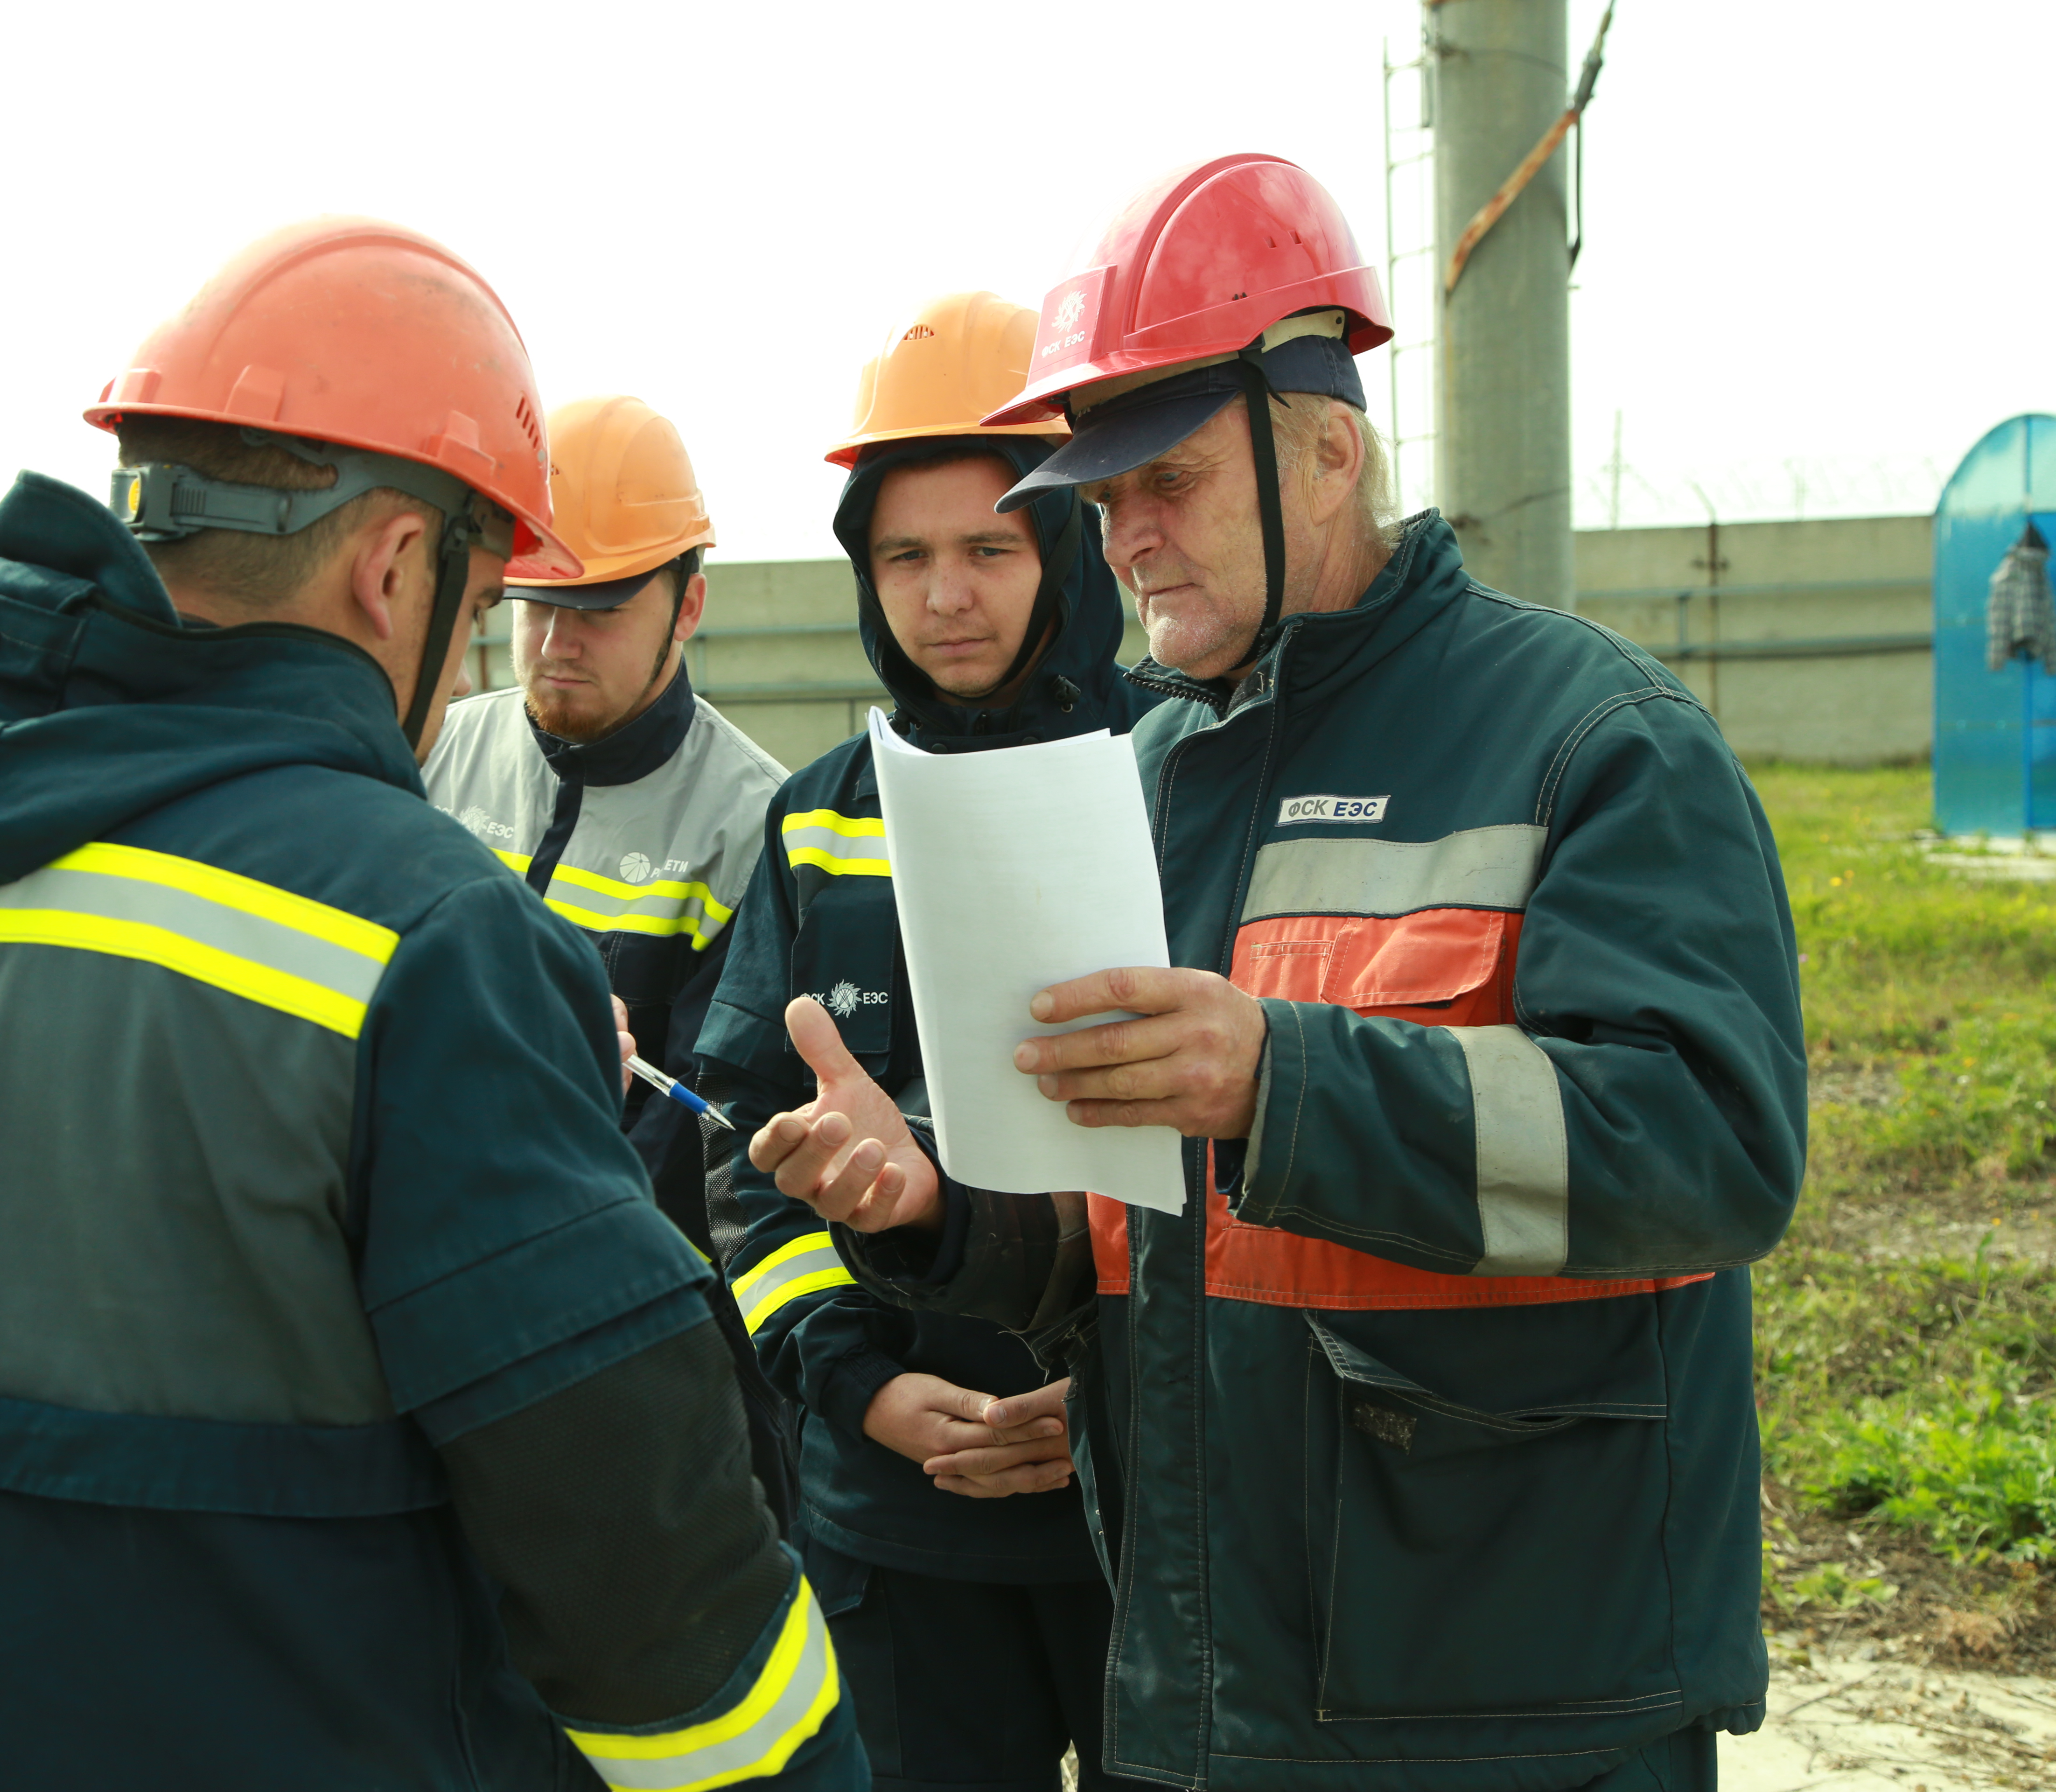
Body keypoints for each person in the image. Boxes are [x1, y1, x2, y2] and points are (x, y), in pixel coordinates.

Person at [0, 219, 864, 1791]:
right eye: (475, 618)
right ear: (396, 567)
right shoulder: (425, 926)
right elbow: (647, 1577)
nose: (467, 670)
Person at [755, 154, 1806, 1792]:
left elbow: (1714, 1151)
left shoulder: (1594, 740)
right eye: (1102, 504)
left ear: (1329, 448)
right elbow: (1141, 1233)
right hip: (1203, 1690)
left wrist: (1280, 1077)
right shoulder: (1154, 769)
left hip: (1519, 1701)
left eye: (1166, 481)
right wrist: (942, 1214)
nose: (1130, 542)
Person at [697, 291, 1160, 1792]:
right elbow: (747, 1152)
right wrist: (863, 1388)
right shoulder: (823, 816)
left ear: (1075, 551)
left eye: (992, 548)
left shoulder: (1178, 775)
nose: (944, 595)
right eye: (904, 555)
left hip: (1153, 1503)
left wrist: (1117, 1391)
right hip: (902, 1506)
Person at [425, 393, 799, 1523]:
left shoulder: (751, 821)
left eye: (596, 607)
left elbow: (695, 1145)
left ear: (688, 606)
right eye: (537, 605)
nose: (556, 642)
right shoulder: (439, 750)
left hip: (619, 1338)